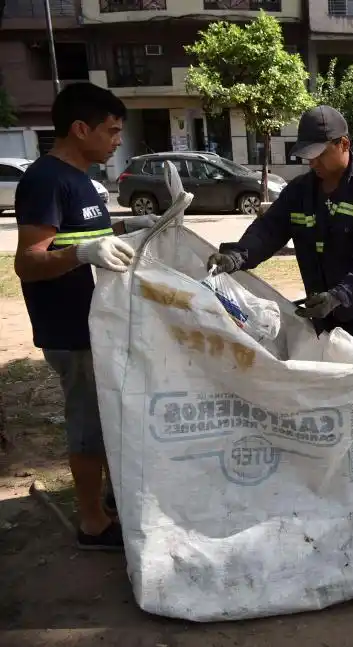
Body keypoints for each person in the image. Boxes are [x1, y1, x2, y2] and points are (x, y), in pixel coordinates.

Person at [14, 82, 160, 551]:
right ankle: (93, 524)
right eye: (112, 130)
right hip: (71, 328)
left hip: (99, 322)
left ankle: (111, 501)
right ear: (80, 129)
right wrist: (83, 253)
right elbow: (29, 260)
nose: (119, 139)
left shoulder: (82, 180)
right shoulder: (45, 179)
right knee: (88, 424)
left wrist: (127, 228)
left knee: (111, 414)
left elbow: (84, 230)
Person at [206, 105, 353, 377]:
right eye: (307, 157)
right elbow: (269, 230)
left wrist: (340, 295)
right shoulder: (300, 192)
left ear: (344, 144)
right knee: (340, 395)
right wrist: (237, 256)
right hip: (329, 316)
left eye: (319, 155)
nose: (312, 163)